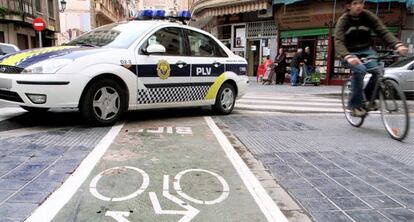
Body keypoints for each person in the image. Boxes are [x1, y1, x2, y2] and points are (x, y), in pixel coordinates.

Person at [335, 0, 408, 116]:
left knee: (379, 71)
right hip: (348, 52)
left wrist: (397, 45)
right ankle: (354, 106)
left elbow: (383, 31)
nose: (359, 6)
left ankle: (369, 99)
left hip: (365, 50)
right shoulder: (343, 20)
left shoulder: (368, 16)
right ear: (348, 6)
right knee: (360, 70)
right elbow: (338, 41)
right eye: (355, 3)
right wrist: (348, 56)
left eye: (361, 2)